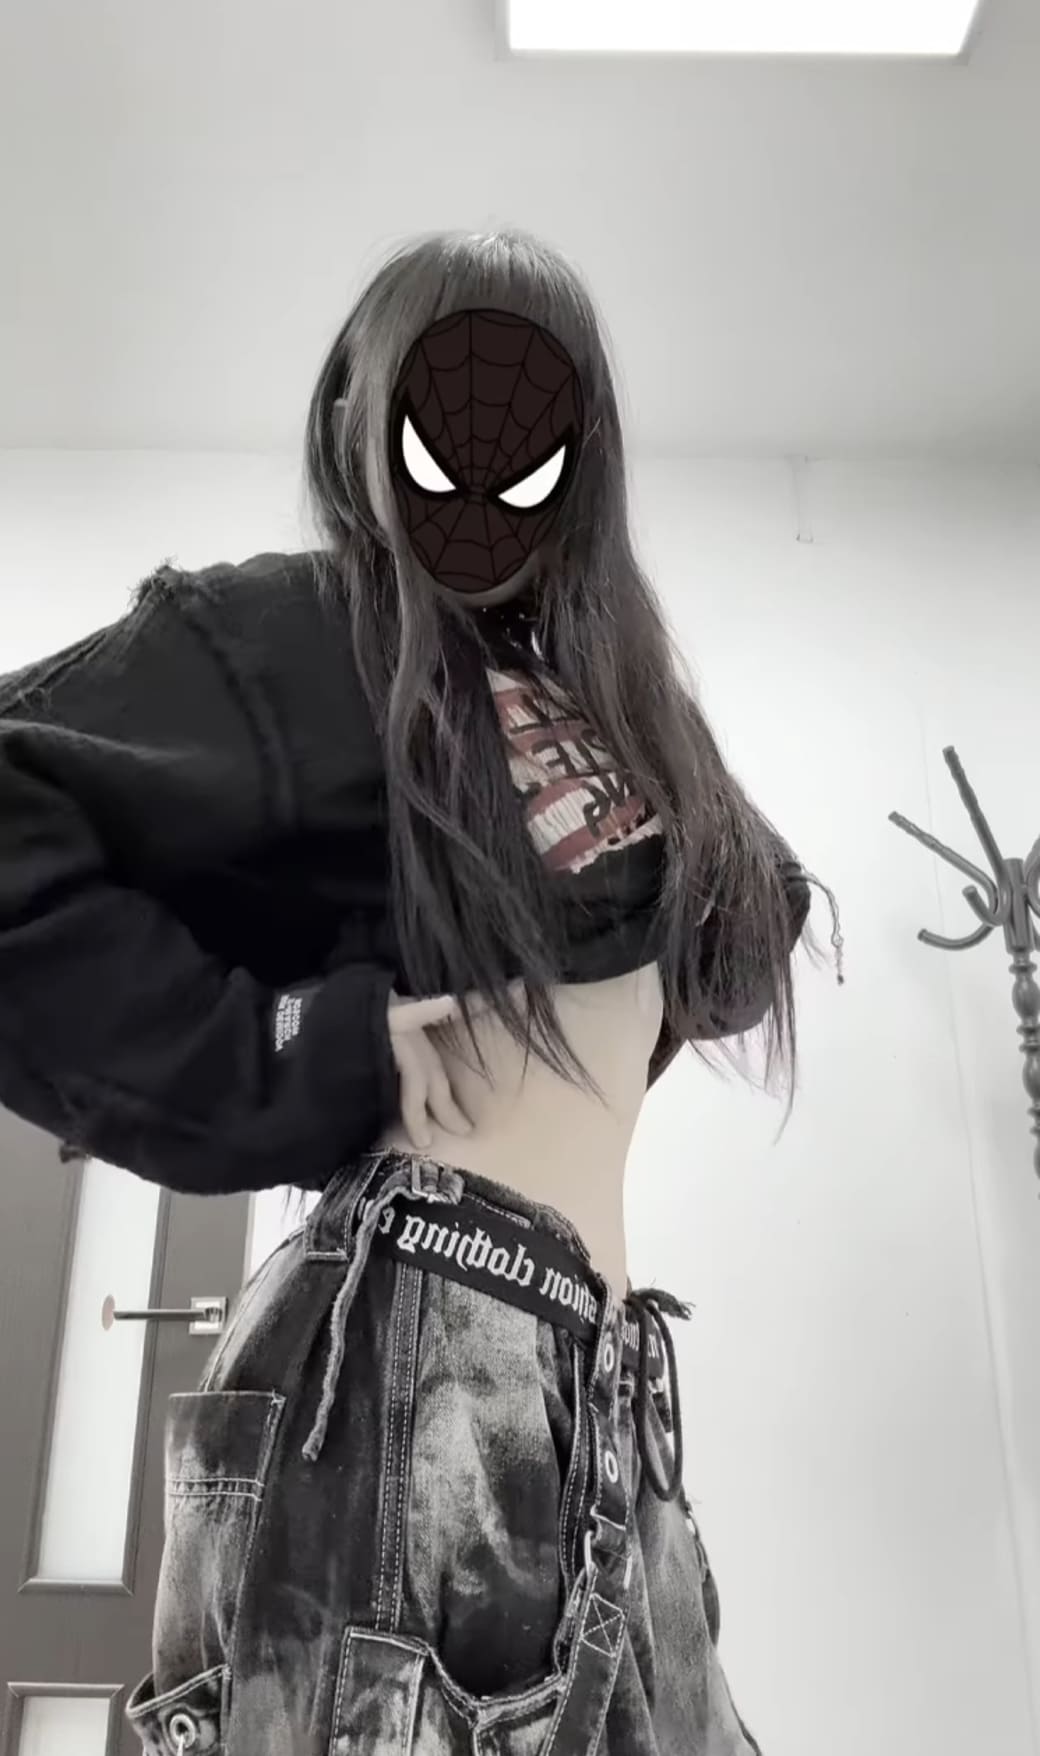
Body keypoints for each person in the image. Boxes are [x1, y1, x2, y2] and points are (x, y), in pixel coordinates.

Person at [0, 228, 839, 1755]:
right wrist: (296, 1044)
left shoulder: (608, 696)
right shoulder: (311, 634)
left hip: (602, 1376)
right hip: (408, 1354)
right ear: (360, 420)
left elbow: (738, 931)